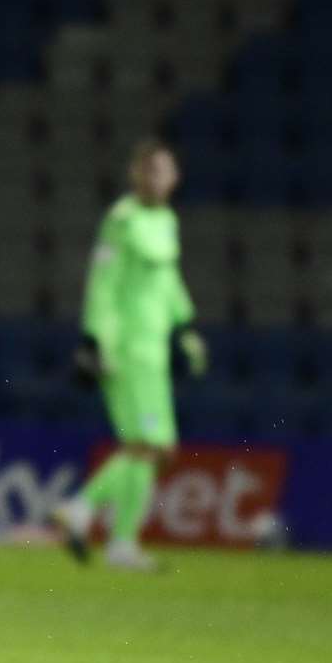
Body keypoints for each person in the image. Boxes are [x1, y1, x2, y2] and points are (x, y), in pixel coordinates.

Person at [52, 138, 206, 572]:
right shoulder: (123, 220)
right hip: (126, 349)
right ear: (137, 175)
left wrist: (186, 324)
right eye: (153, 170)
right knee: (147, 445)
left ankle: (120, 541)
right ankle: (85, 511)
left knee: (153, 448)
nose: (161, 179)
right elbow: (103, 280)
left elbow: (168, 280)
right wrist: (94, 339)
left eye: (167, 171)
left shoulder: (167, 220)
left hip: (154, 349)